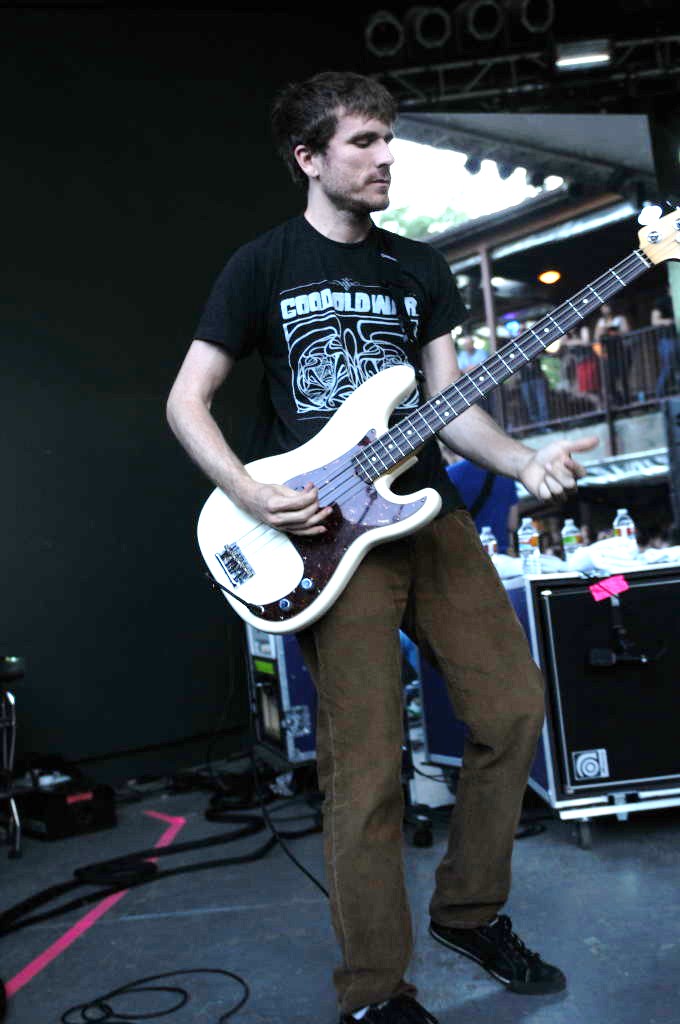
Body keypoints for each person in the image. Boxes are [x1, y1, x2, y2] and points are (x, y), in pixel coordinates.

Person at [166, 71, 598, 1024]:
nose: (386, 156)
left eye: (389, 138)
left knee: (514, 709)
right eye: (363, 142)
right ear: (308, 158)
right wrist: (251, 492)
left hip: (424, 517)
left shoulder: (420, 267)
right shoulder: (262, 266)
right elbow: (186, 401)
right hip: (324, 535)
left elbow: (453, 408)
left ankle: (469, 913)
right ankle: (375, 992)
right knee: (365, 769)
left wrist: (522, 459)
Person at [439, 442, 518, 554]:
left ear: (447, 453)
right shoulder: (503, 471)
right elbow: (512, 524)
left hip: (470, 557)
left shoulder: (449, 475)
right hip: (502, 554)